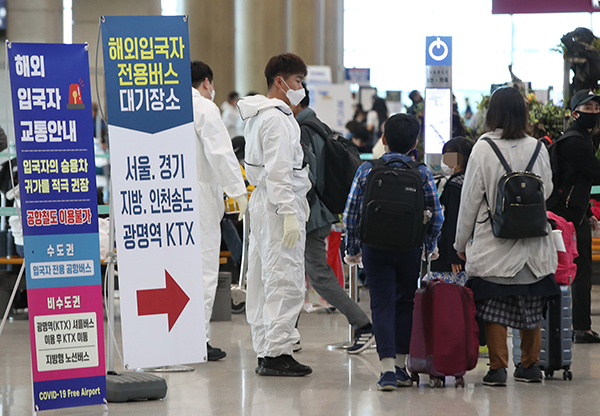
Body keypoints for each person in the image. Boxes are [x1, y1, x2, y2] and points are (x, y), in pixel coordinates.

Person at [454, 87, 559, 386]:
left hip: (494, 241)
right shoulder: (538, 147)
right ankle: (531, 366)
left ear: (493, 113)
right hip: (533, 242)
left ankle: (498, 368)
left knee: (493, 304)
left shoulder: (483, 148)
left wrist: (460, 243)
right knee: (531, 304)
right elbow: (547, 191)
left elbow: (470, 200)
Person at [343, 113, 443, 391]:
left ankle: (386, 371)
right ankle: (400, 367)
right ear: (415, 144)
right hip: (409, 248)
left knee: (382, 304)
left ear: (384, 140)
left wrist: (353, 248)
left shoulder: (367, 169)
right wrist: (429, 246)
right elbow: (436, 215)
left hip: (375, 247)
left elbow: (351, 212)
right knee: (404, 304)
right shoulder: (422, 172)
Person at [236, 53, 312, 377]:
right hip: (280, 206)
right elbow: (280, 172)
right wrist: (289, 213)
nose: (301, 88)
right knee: (285, 278)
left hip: (263, 202)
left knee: (262, 281)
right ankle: (277, 353)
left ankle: (266, 348)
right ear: (280, 82)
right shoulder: (279, 119)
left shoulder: (255, 115)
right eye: (297, 81)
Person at [293, 83, 375, 354]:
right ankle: (288, 334)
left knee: (318, 276)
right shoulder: (320, 126)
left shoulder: (304, 130)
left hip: (312, 215)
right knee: (297, 274)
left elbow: (308, 177)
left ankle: (363, 324)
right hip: (320, 211)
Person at [191, 61, 248, 361]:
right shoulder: (203, 108)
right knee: (202, 271)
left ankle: (174, 338)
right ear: (207, 83)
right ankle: (196, 341)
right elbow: (221, 152)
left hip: (170, 201)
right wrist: (238, 191)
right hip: (200, 200)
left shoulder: (167, 107)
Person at [547, 89, 600, 343]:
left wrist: (588, 211)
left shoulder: (579, 138)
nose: (593, 112)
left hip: (570, 214)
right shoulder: (576, 141)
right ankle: (580, 327)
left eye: (596, 108)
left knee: (576, 269)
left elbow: (577, 178)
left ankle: (576, 325)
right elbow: (595, 171)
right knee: (578, 270)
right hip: (565, 217)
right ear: (575, 112)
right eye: (588, 108)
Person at [430, 137, 473, 286]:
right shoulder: (470, 181)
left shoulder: (454, 186)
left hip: (452, 257)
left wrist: (454, 256)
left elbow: (453, 221)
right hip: (471, 250)